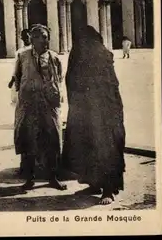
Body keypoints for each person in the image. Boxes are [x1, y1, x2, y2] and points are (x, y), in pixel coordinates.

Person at [62, 25, 126, 205]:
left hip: (105, 114)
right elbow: (71, 81)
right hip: (86, 113)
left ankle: (108, 189)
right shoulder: (82, 56)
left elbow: (111, 87)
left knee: (106, 149)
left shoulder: (101, 58)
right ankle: (94, 184)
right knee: (87, 147)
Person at [13, 24, 67, 191]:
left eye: (46, 37)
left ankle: (53, 178)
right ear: (32, 39)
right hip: (29, 105)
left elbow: (59, 79)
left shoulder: (54, 57)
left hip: (48, 106)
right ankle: (29, 179)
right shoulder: (22, 56)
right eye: (40, 37)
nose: (45, 40)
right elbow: (18, 78)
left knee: (52, 140)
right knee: (29, 141)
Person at [8, 29, 32, 106]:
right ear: (22, 38)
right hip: (23, 78)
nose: (26, 39)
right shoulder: (19, 52)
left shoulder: (35, 50)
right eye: (24, 38)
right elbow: (16, 68)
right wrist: (12, 80)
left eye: (27, 37)